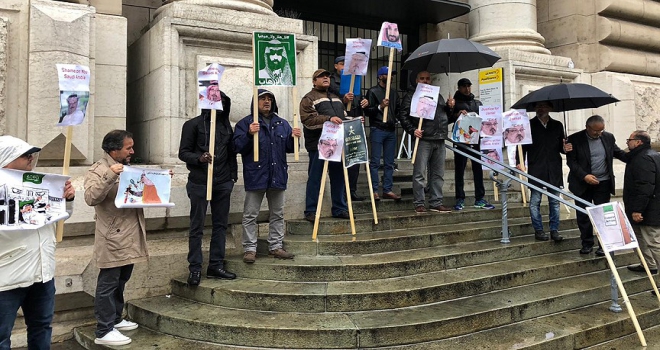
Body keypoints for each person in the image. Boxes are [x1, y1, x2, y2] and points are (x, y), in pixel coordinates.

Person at [0, 136, 75, 350]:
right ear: (7, 158)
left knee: (42, 327)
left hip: (43, 274)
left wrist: (66, 200)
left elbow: (59, 218)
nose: (31, 159)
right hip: (6, 279)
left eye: (32, 154)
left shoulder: (40, 184)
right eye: (25, 155)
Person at [84, 130, 151, 346]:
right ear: (114, 150)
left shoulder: (127, 167)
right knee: (108, 282)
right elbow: (91, 197)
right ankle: (103, 330)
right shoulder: (99, 169)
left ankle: (115, 318)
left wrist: (159, 182)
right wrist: (110, 174)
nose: (132, 151)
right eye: (128, 147)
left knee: (122, 279)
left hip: (130, 233)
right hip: (112, 236)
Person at [233, 89, 301, 262]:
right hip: (256, 175)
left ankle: (276, 246)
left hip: (277, 175)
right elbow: (236, 147)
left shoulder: (282, 123)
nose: (266, 102)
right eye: (262, 98)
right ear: (255, 102)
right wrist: (249, 134)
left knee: (277, 213)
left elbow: (290, 148)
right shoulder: (246, 123)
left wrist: (295, 138)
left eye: (269, 99)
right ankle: (249, 249)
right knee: (250, 215)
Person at [179, 89, 238, 286]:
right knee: (197, 227)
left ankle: (216, 265)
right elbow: (183, 152)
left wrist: (232, 178)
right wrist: (199, 158)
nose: (219, 104)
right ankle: (195, 268)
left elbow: (231, 155)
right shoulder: (192, 125)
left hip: (222, 183)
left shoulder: (226, 127)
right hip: (199, 182)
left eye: (222, 101)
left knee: (220, 226)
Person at [566, 115, 627, 256]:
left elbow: (618, 153)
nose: (599, 133)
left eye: (601, 130)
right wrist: (584, 176)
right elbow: (572, 162)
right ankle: (587, 243)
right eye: (595, 131)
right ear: (588, 128)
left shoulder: (608, 137)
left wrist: (638, 156)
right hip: (582, 184)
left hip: (603, 183)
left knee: (603, 215)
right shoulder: (574, 139)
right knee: (583, 215)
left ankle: (604, 245)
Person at [398, 70, 456, 213]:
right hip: (423, 138)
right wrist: (412, 130)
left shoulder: (438, 96)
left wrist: (450, 107)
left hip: (439, 138)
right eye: (422, 78)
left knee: (438, 173)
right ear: (417, 80)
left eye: (428, 79)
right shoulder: (411, 96)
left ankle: (436, 201)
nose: (425, 81)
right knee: (420, 173)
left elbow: (446, 117)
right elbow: (403, 116)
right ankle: (419, 202)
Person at [300, 68, 351, 222]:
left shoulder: (337, 98)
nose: (326, 78)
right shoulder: (308, 99)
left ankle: (339, 208)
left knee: (338, 177)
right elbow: (308, 121)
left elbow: (344, 118)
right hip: (318, 144)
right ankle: (311, 210)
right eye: (321, 76)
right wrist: (328, 119)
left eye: (327, 76)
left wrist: (353, 120)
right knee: (315, 177)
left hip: (337, 143)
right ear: (314, 81)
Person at [516, 101, 566, 242]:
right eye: (538, 106)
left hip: (554, 168)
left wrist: (566, 147)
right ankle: (538, 230)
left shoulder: (557, 125)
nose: (540, 109)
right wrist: (519, 162)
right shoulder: (528, 125)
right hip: (536, 167)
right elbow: (522, 146)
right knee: (535, 201)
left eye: (543, 106)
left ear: (550, 108)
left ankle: (554, 230)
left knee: (554, 202)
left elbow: (561, 149)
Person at [329, 56, 368, 201]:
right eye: (341, 64)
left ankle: (352, 190)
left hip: (354, 123)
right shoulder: (332, 81)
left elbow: (358, 100)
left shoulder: (354, 80)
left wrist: (364, 103)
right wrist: (344, 99)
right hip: (340, 124)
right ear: (336, 66)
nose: (345, 67)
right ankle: (341, 194)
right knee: (340, 160)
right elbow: (334, 99)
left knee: (355, 159)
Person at [451, 78, 494, 210]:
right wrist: (457, 114)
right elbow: (448, 118)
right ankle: (459, 199)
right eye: (464, 86)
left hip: (475, 141)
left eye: (469, 86)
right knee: (460, 170)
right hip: (461, 141)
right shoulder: (455, 103)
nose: (467, 88)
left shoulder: (477, 103)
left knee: (477, 169)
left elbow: (486, 120)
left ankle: (479, 198)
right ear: (458, 87)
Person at [622, 131, 660, 274]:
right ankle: (649, 265)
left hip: (647, 210)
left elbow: (645, 186)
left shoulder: (643, 158)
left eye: (629, 139)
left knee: (653, 243)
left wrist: (638, 210)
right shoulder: (645, 155)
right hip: (643, 208)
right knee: (639, 238)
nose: (627, 142)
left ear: (638, 142)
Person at [365, 66, 401, 201]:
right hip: (377, 129)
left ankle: (387, 189)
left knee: (389, 162)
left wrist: (395, 119)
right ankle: (374, 190)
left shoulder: (393, 93)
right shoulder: (372, 91)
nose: (391, 77)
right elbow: (368, 111)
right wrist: (380, 107)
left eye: (392, 74)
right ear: (380, 76)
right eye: (388, 74)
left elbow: (397, 109)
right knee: (375, 161)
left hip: (390, 130)